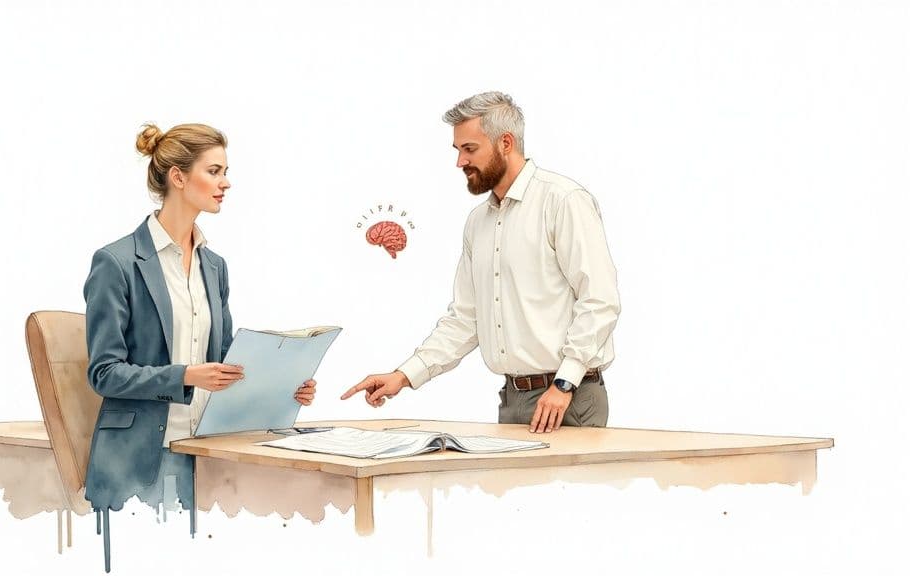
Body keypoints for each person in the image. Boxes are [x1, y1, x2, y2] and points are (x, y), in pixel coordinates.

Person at [83, 123, 317, 571]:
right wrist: (185, 376)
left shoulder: (215, 265)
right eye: (215, 171)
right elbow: (104, 372)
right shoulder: (115, 263)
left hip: (206, 455)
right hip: (140, 461)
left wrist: (285, 386)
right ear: (178, 177)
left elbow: (226, 363)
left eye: (225, 171)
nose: (226, 182)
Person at [342, 92, 620, 433]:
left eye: (469, 149)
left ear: (505, 142)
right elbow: (466, 318)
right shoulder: (479, 222)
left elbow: (600, 299)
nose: (460, 162)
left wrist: (564, 384)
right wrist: (404, 375)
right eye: (458, 150)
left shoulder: (563, 201)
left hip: (569, 399)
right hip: (513, 400)